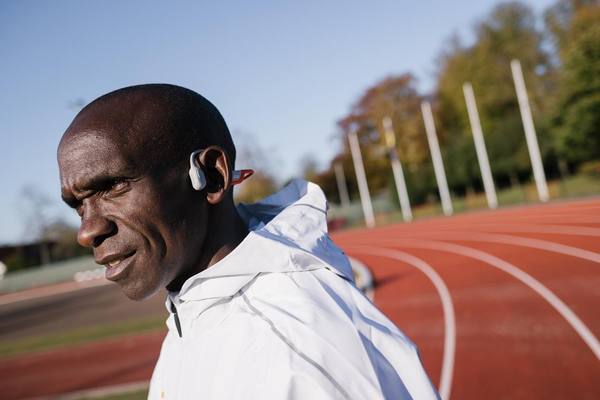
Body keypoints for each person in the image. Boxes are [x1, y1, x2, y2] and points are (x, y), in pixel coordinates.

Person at [57, 84, 439, 400]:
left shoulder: (293, 353)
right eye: (78, 206)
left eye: (113, 186)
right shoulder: (199, 310)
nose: (87, 231)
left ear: (210, 175)